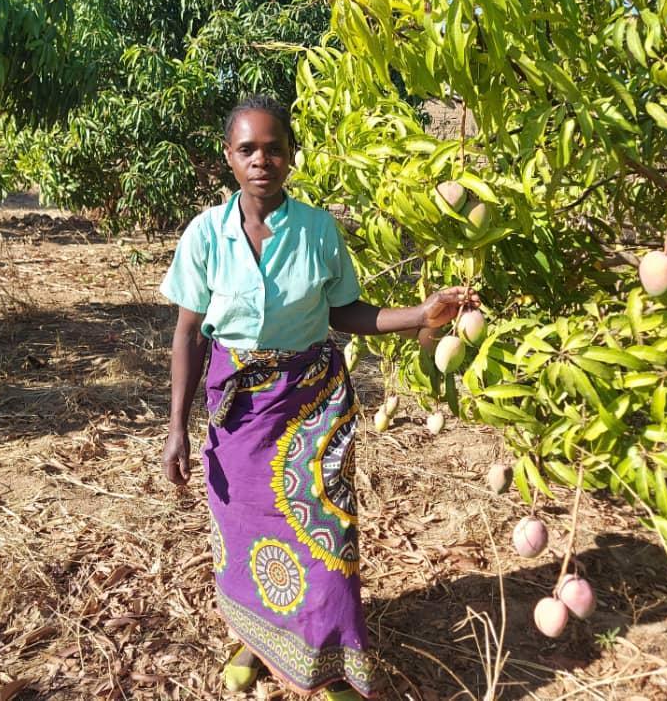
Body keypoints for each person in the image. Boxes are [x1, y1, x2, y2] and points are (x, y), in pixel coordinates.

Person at [160, 95, 476, 699]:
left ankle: (329, 666)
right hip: (238, 412)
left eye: (274, 148)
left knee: (326, 536)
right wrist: (177, 425)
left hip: (310, 405)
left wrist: (422, 313)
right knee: (246, 531)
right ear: (229, 158)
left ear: (290, 156)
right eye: (248, 149)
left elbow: (345, 311)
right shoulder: (206, 234)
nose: (262, 160)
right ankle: (253, 640)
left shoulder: (316, 230)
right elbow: (187, 332)